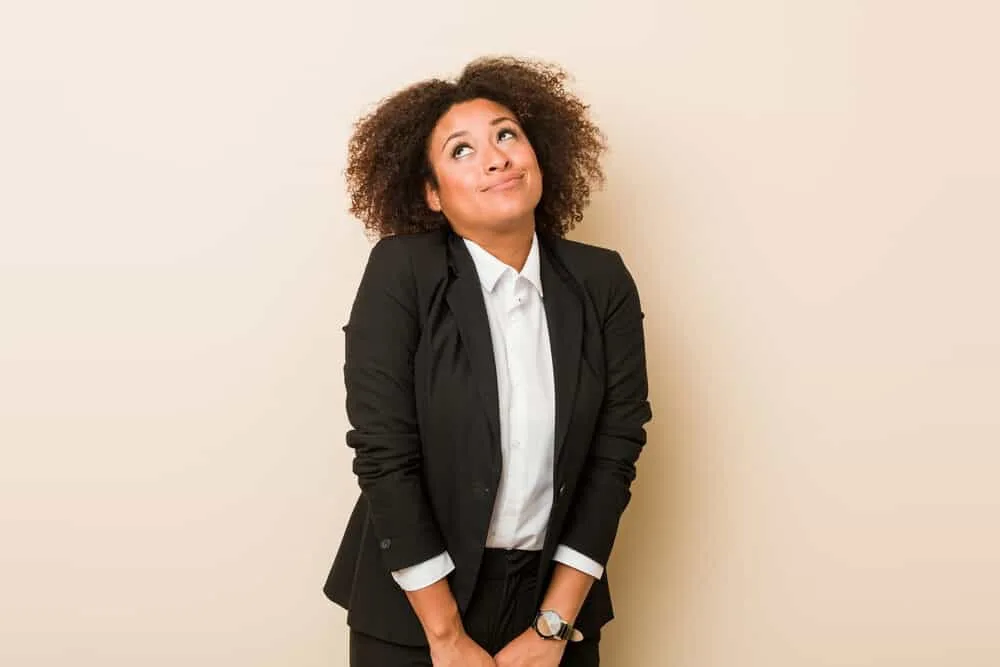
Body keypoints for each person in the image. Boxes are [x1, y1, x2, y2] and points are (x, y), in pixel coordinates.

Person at [323, 56, 652, 667]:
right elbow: (383, 452)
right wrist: (446, 638)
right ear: (430, 192)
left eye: (506, 135)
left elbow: (616, 451)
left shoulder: (601, 280)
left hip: (555, 603)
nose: (496, 157)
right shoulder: (403, 273)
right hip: (416, 605)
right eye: (462, 150)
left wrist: (553, 626)